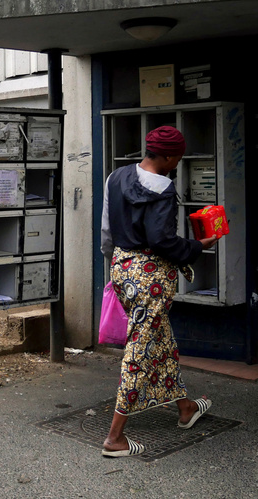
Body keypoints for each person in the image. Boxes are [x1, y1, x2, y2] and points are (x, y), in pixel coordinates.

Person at [99, 125, 218, 458]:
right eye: (177, 157)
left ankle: (185, 407)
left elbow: (107, 231)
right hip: (151, 278)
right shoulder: (163, 188)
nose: (177, 162)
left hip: (122, 267)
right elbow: (161, 240)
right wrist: (197, 246)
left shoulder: (115, 177)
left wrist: (117, 269)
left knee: (160, 341)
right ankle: (115, 438)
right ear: (167, 156)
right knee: (139, 351)